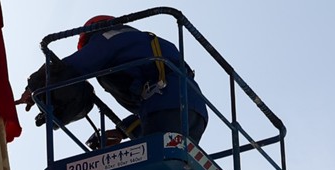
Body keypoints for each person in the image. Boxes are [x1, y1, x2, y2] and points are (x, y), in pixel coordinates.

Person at [24, 15, 210, 143]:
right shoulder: (140, 43)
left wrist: (34, 86)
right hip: (195, 112)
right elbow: (152, 101)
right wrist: (122, 131)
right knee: (174, 163)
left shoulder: (108, 36)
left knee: (151, 167)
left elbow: (74, 65)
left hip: (167, 106)